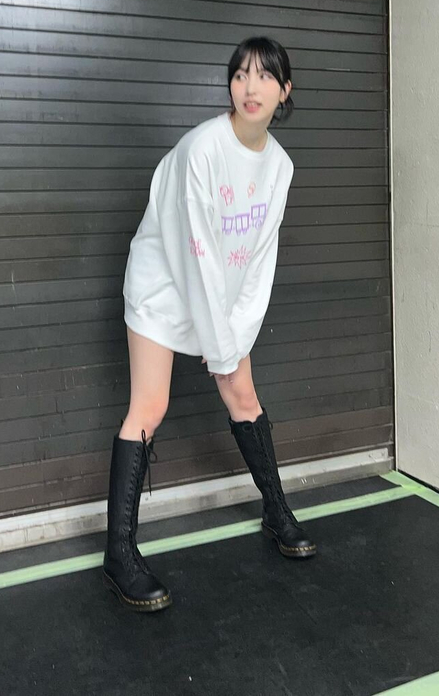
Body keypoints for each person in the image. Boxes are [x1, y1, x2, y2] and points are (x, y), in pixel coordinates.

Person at [103, 37, 316, 613]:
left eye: (265, 77)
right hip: (164, 286)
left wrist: (232, 334)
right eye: (241, 75)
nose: (251, 87)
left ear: (284, 91)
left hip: (217, 293)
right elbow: (192, 250)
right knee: (150, 407)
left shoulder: (280, 167)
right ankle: (119, 555)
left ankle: (276, 511)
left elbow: (258, 259)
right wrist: (218, 339)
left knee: (243, 393)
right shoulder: (201, 149)